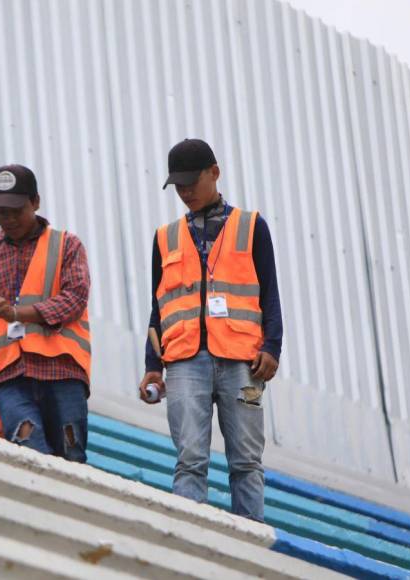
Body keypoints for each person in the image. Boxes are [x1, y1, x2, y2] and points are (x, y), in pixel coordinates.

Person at [139, 139, 283, 522]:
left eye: (191, 182)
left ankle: (249, 547)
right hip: (184, 362)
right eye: (179, 186)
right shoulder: (165, 237)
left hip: (244, 364)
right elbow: (158, 306)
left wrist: (273, 346)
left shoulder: (252, 227)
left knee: (247, 462)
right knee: (189, 460)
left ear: (214, 173)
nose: (185, 192)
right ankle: (189, 543)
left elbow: (270, 294)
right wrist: (153, 363)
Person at [0, 164, 91, 462]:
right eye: (1, 212)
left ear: (36, 202)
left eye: (17, 210)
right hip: (8, 375)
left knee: (71, 455)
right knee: (29, 448)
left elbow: (75, 298)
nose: (9, 218)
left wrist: (17, 313)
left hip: (61, 370)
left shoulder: (66, 246)